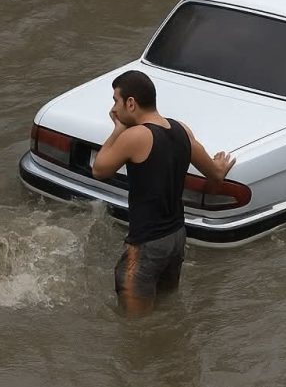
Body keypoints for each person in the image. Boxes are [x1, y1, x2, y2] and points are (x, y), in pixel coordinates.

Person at [91, 70, 235, 315]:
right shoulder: (182, 131)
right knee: (166, 310)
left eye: (116, 101)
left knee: (134, 327)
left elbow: (99, 169)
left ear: (131, 103)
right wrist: (220, 165)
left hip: (147, 244)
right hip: (176, 238)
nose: (114, 108)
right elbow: (215, 174)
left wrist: (117, 129)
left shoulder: (136, 135)